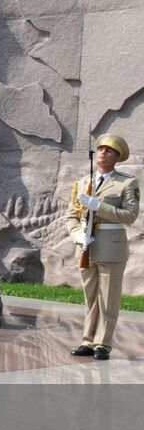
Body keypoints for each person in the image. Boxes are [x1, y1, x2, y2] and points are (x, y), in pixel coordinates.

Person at [66, 134, 140, 361]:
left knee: (108, 298)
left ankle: (103, 344)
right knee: (90, 298)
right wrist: (78, 235)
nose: (103, 152)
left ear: (118, 157)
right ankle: (87, 341)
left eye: (109, 150)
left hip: (111, 246)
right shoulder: (81, 182)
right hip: (87, 247)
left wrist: (99, 206)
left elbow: (130, 215)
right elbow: (72, 216)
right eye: (100, 149)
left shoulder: (127, 182)